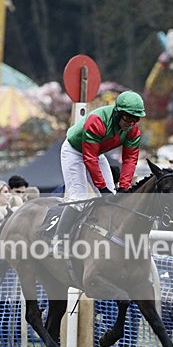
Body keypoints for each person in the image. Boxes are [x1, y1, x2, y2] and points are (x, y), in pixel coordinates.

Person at [54, 90, 146, 244]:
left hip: (96, 153)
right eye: (128, 117)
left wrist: (124, 187)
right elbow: (89, 159)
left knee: (113, 198)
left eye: (135, 118)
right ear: (117, 113)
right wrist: (102, 188)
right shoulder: (97, 121)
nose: (131, 122)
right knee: (80, 198)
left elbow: (130, 159)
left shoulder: (133, 130)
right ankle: (58, 240)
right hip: (74, 151)